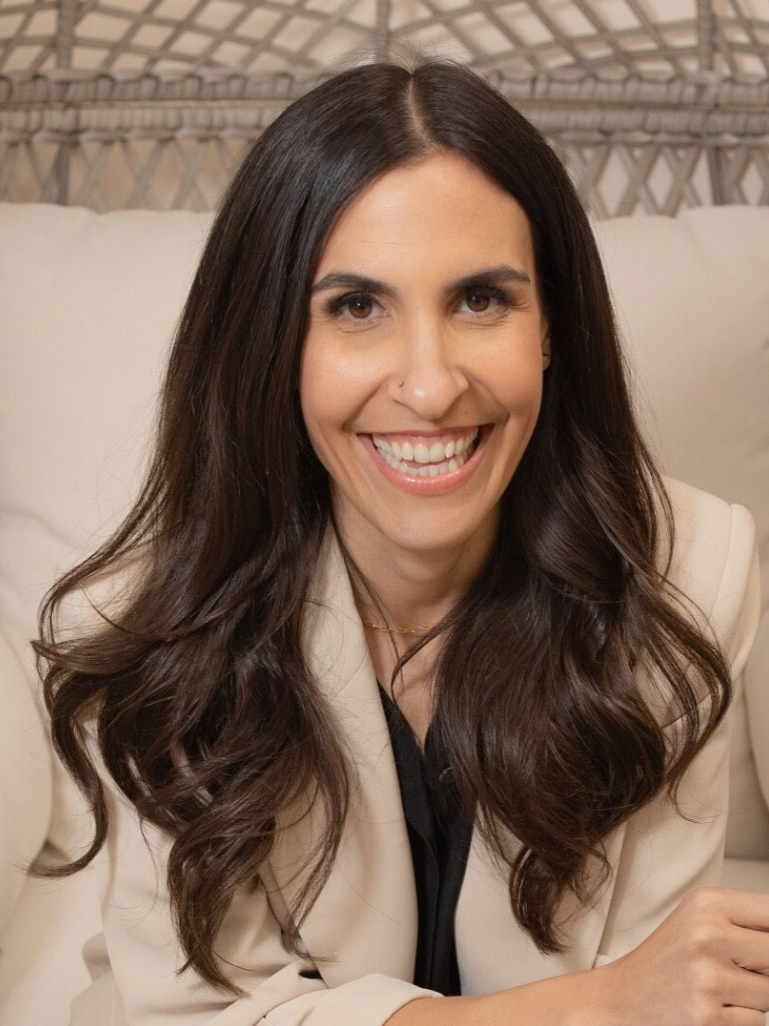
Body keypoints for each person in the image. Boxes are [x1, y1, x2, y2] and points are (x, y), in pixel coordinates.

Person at [30, 53, 765, 1026]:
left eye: (479, 299)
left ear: (550, 326)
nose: (428, 385)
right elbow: (202, 1018)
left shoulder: (687, 579)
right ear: (272, 345)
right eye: (357, 307)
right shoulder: (146, 620)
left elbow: (662, 990)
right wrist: (596, 1005)